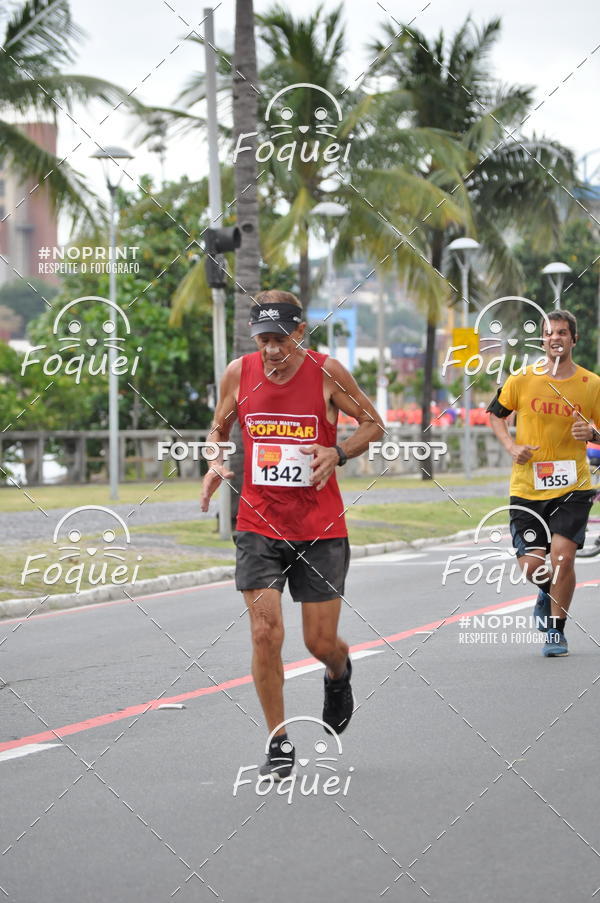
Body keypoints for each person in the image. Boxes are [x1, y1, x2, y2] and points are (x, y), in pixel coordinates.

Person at [200, 290, 384, 777]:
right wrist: (216, 460)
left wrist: (338, 453)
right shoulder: (239, 373)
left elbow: (373, 424)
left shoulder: (327, 372)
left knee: (319, 643)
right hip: (259, 523)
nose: (272, 349)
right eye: (263, 339)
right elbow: (218, 429)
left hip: (320, 528)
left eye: (280, 338)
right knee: (265, 633)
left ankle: (339, 672)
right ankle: (278, 741)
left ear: (300, 332)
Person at [487, 309, 600, 657]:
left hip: (573, 486)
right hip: (527, 488)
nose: (556, 338)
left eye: (563, 333)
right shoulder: (521, 379)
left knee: (563, 558)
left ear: (573, 339)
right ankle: (545, 592)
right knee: (533, 566)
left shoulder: (591, 385)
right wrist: (511, 446)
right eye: (550, 333)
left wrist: (593, 433)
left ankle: (555, 631)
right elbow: (494, 414)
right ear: (542, 341)